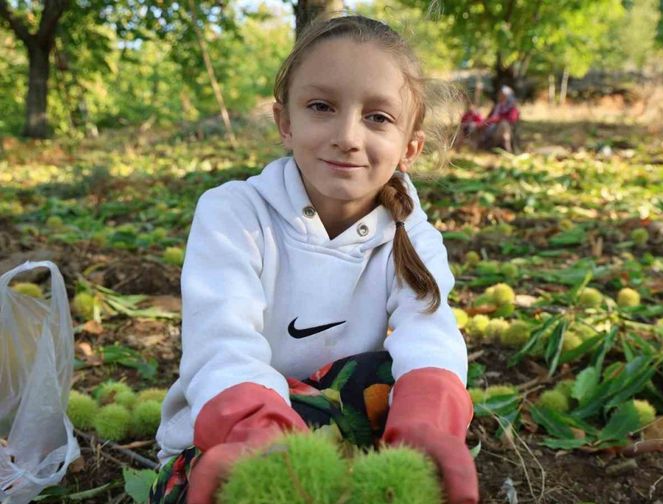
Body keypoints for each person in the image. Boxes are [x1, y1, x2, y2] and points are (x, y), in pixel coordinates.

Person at [149, 15, 477, 504]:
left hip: (343, 413)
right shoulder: (233, 213)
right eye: (321, 106)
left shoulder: (414, 233)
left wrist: (428, 423)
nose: (347, 135)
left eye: (377, 117)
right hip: (241, 421)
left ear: (410, 147)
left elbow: (430, 334)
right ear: (285, 122)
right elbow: (222, 341)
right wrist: (256, 430)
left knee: (402, 377)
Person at [479, 85, 520, 152]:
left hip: (505, 129)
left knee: (504, 125)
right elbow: (489, 117)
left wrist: (498, 119)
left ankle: (508, 148)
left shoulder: (512, 108)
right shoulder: (497, 106)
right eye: (500, 94)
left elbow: (512, 119)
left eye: (502, 95)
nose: (499, 96)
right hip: (491, 128)